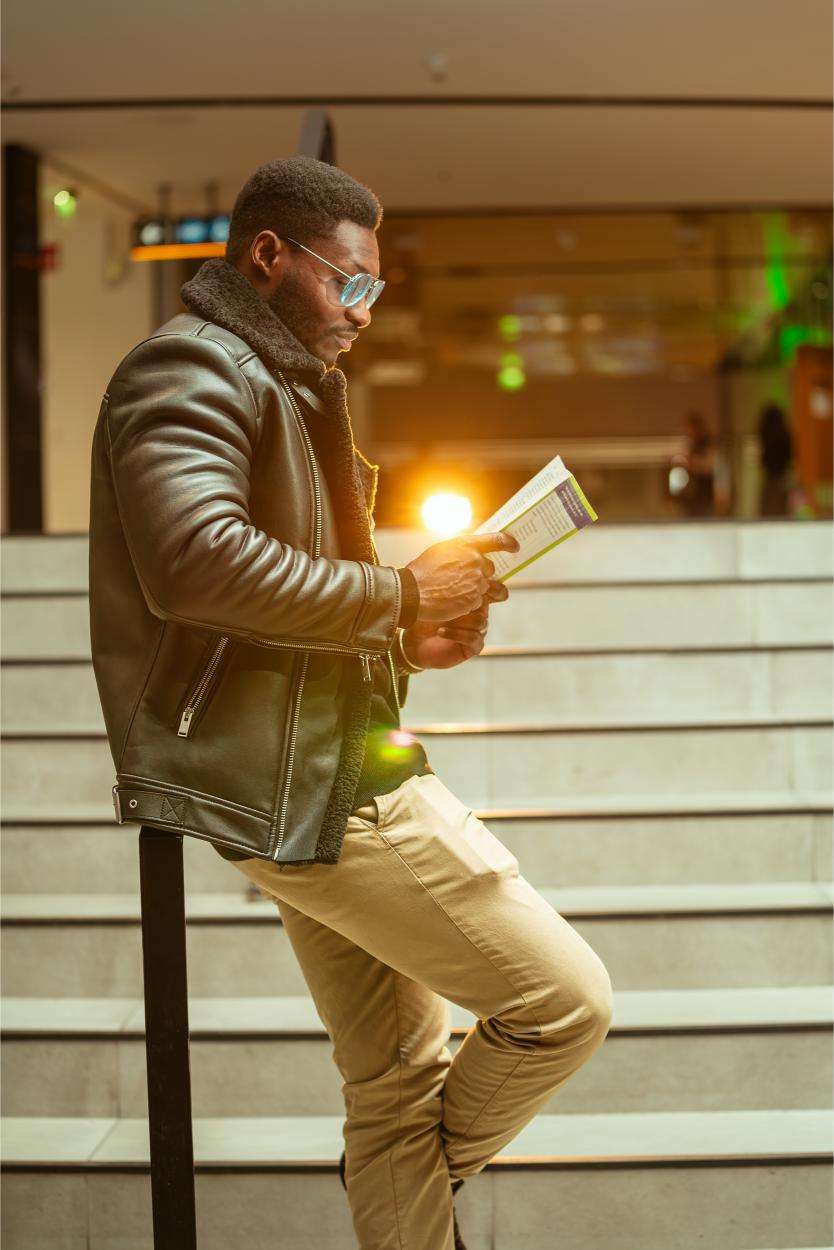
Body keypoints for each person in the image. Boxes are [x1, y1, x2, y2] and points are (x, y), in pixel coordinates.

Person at [88, 156, 613, 1250]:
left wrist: (407, 633)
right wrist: (401, 590)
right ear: (269, 257)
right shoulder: (188, 368)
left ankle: (402, 1172)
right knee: (566, 1003)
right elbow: (194, 563)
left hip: (323, 762)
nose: (364, 312)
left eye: (375, 290)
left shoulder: (276, 379)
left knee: (390, 1085)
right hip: (315, 778)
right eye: (349, 282)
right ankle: (414, 1158)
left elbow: (286, 606)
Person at [757, 402, 794, 516]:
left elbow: (763, 460)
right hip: (783, 478)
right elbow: (791, 457)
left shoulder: (766, 437)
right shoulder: (785, 435)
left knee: (769, 511)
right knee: (782, 510)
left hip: (771, 478)